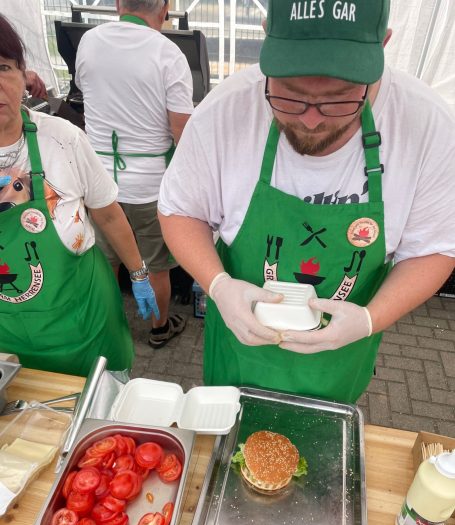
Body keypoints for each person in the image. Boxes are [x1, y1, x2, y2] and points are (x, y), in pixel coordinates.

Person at [158, 0, 455, 404]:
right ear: (266, 35)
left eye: (339, 98)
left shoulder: (429, 128)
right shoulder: (224, 112)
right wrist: (219, 285)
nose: (311, 120)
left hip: (337, 365)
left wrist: (371, 318)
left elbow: (434, 248)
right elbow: (181, 210)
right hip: (236, 357)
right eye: (291, 95)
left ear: (383, 46)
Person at [0, 14, 159, 377]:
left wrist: (138, 274)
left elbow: (108, 214)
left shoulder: (62, 139)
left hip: (84, 322)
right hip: (8, 340)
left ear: (24, 74)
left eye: (3, 67)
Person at [75, 0, 194, 349]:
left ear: (117, 4)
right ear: (165, 8)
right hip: (149, 185)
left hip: (98, 183)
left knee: (106, 260)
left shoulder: (89, 42)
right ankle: (159, 328)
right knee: (156, 265)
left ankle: (112, 327)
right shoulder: (168, 54)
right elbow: (183, 134)